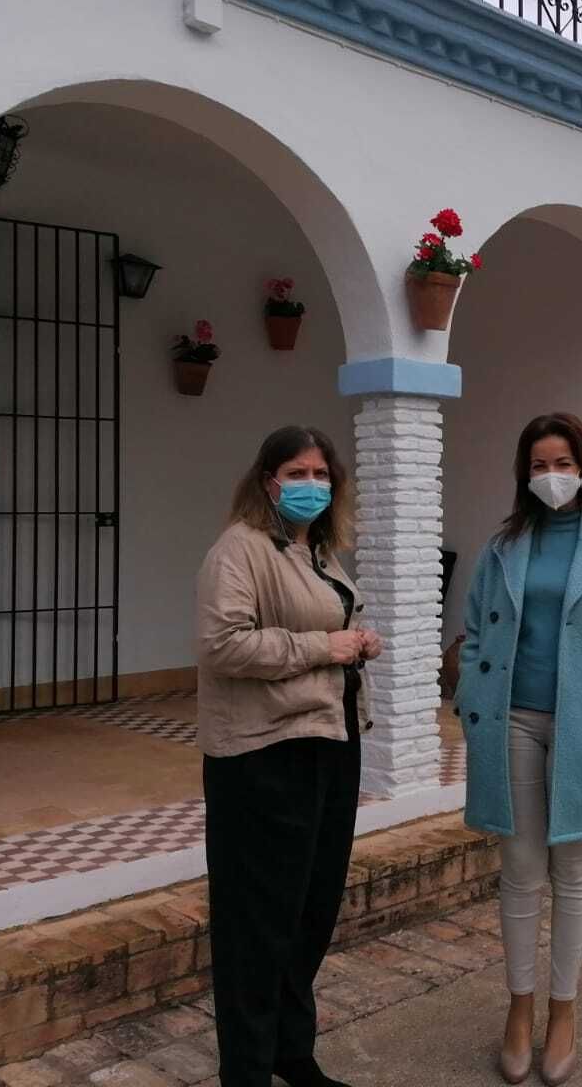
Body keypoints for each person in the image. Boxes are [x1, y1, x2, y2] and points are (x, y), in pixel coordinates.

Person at [458, 413, 582, 1085]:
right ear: (525, 474)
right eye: (540, 465)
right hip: (511, 721)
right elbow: (475, 631)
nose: (552, 476)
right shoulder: (504, 545)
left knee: (573, 869)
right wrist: (471, 700)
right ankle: (519, 1010)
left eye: (563, 463)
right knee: (520, 870)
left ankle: (563, 1011)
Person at [195, 425, 382, 1087]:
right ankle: (246, 1069)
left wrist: (356, 642)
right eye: (297, 474)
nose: (311, 485)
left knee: (310, 910)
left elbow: (321, 628)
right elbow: (222, 644)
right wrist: (322, 648)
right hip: (264, 754)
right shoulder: (239, 550)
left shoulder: (317, 551)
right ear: (267, 481)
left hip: (328, 742)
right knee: (258, 921)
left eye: (321, 474)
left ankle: (290, 1051)